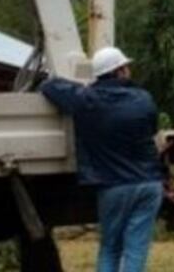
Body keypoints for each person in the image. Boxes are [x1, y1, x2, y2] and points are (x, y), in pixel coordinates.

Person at [40, 46, 164, 272]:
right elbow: (153, 130)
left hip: (113, 186)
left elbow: (48, 86)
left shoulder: (86, 99)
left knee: (110, 248)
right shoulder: (144, 98)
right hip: (149, 184)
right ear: (120, 71)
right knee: (136, 248)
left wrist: (77, 85)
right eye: (126, 66)